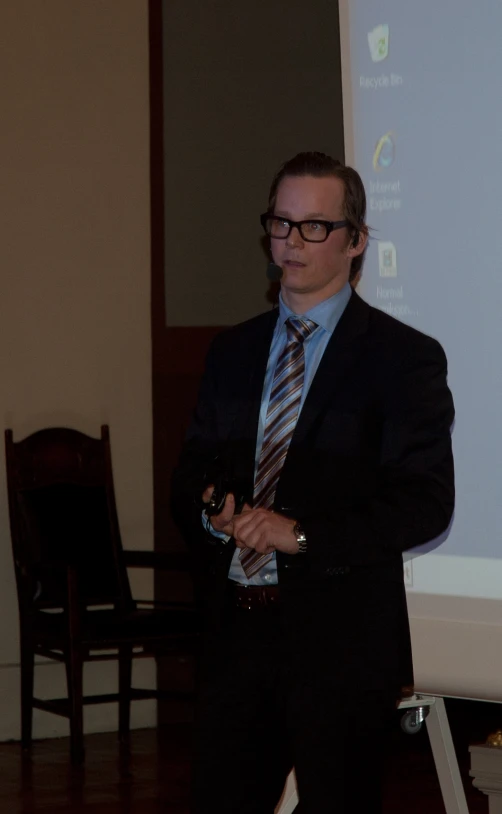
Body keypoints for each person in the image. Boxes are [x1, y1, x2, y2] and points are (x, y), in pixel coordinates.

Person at [171, 151, 455, 813]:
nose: (290, 243)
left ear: (356, 241)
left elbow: (424, 503)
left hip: (340, 646)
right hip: (236, 636)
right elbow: (191, 474)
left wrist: (300, 534)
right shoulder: (232, 350)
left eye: (313, 227)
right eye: (280, 223)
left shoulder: (403, 358)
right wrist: (213, 510)